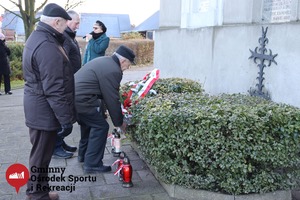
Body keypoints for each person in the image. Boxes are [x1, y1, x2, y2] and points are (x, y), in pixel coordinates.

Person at [22, 3, 75, 200]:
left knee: (41, 155)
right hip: (43, 109)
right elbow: (54, 87)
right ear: (56, 22)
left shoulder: (40, 37)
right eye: (64, 25)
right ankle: (36, 195)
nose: (66, 29)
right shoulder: (47, 45)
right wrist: (65, 119)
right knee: (41, 156)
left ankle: (40, 191)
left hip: (39, 106)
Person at [75, 45, 135, 173]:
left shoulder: (105, 61)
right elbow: (111, 99)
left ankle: (83, 156)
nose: (128, 68)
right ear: (123, 61)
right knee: (101, 127)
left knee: (88, 124)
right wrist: (119, 122)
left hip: (74, 97)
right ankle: (92, 164)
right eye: (129, 64)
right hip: (82, 100)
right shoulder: (113, 70)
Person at [52, 10, 81, 159]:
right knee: (61, 116)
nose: (78, 26)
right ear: (68, 21)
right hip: (66, 84)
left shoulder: (70, 37)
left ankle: (60, 142)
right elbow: (64, 61)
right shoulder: (65, 38)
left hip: (72, 81)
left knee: (66, 115)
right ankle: (55, 146)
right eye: (76, 22)